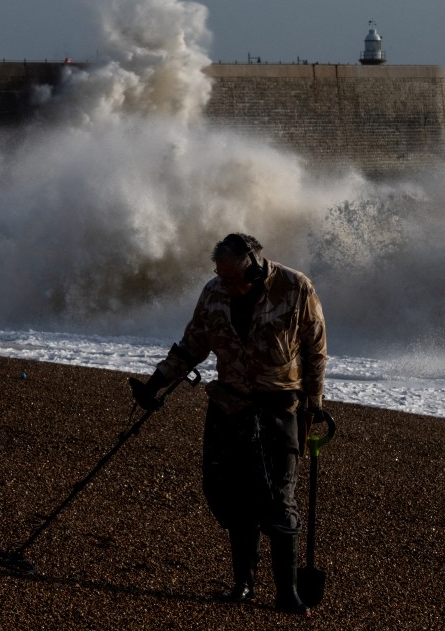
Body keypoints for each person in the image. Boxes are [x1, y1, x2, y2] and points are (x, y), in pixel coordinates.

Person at [129, 233, 327, 616]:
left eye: (233, 278)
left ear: (254, 268)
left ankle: (287, 594)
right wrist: (154, 384)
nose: (227, 285)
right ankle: (244, 585)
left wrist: (315, 401)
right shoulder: (214, 292)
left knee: (278, 501)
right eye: (220, 276)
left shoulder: (295, 288)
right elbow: (192, 345)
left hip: (278, 408)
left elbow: (315, 349)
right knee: (230, 496)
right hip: (229, 405)